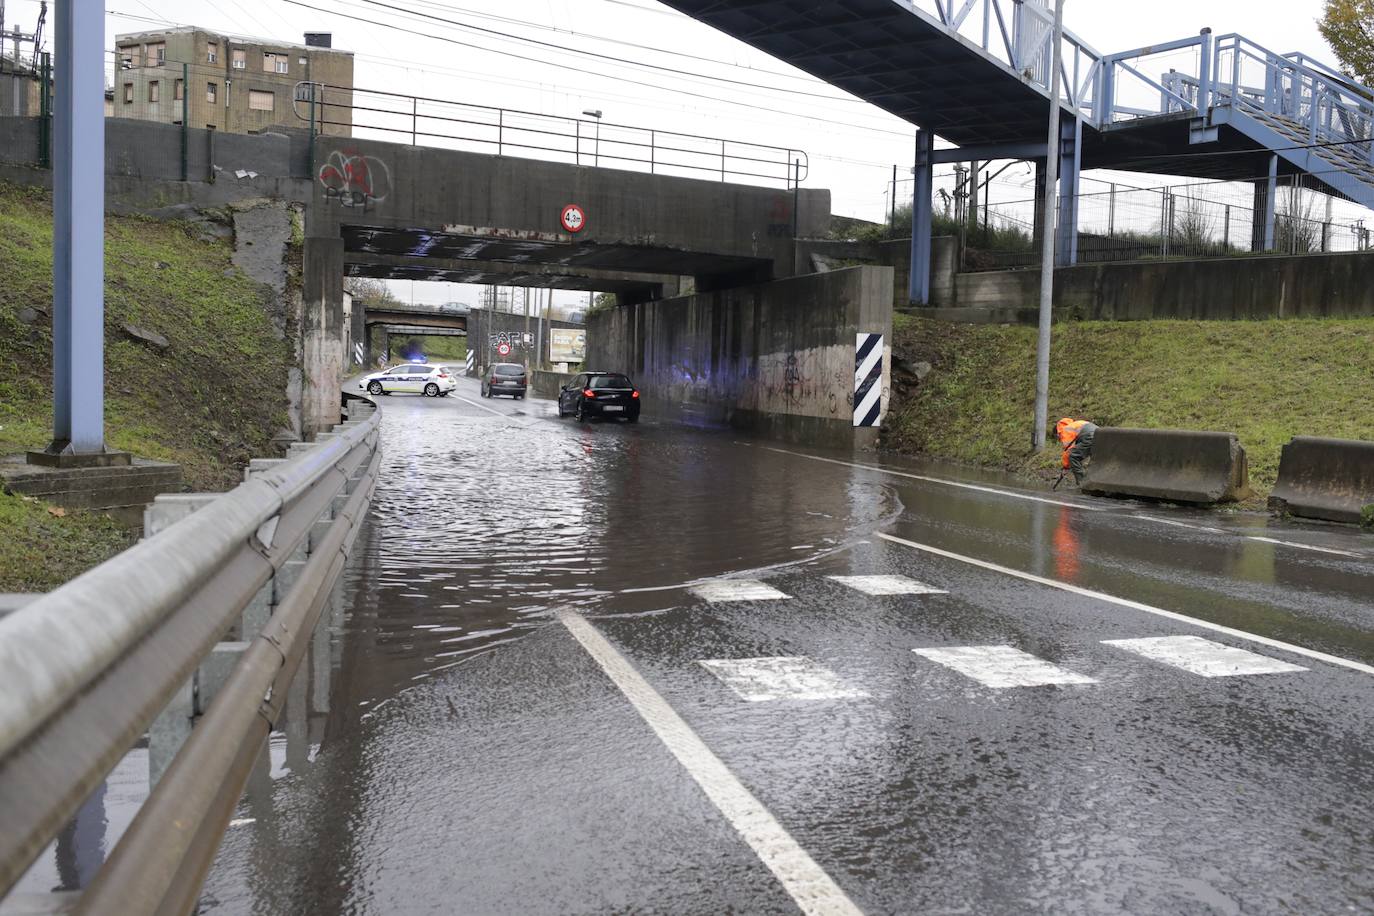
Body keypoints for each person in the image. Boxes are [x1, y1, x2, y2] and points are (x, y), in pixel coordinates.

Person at [1055, 417, 1097, 486]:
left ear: (1057, 433)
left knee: (1073, 456)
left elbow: (1068, 451)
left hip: (1089, 437)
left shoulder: (1065, 430)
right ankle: (1093, 481)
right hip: (1099, 435)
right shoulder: (1076, 424)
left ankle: (1082, 483)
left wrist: (1065, 467)